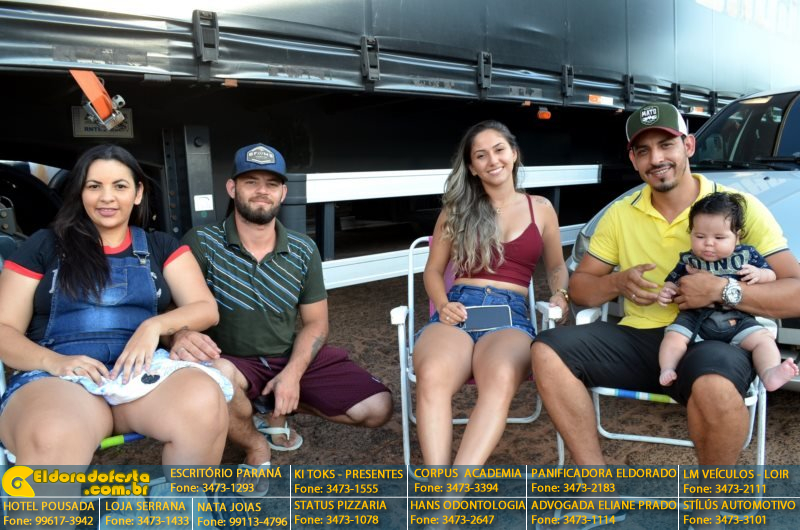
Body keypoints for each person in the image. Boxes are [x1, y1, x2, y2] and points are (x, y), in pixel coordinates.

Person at [531, 102, 800, 529]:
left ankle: (711, 504)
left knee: (715, 385)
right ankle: (598, 491)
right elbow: (581, 288)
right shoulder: (622, 212)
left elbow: (796, 291)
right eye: (643, 150)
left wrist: (725, 290)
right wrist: (618, 283)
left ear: (688, 145)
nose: (656, 158)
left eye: (666, 144)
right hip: (641, 337)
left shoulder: (736, 207)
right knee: (547, 350)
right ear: (633, 159)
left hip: (714, 336)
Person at [172, 143, 392, 483]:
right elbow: (174, 310)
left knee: (377, 408)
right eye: (251, 181)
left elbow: (317, 324)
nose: (262, 191)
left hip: (286, 355)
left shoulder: (303, 249)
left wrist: (291, 375)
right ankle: (255, 444)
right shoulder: (202, 241)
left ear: (283, 193)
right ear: (232, 188)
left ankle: (267, 405)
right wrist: (181, 333)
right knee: (217, 379)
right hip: (231, 360)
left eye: (272, 183)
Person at [0, 144, 229, 466]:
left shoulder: (160, 246)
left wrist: (153, 327)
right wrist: (54, 362)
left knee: (204, 402)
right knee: (52, 433)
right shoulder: (44, 245)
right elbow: (4, 328)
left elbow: (205, 308)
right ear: (80, 192)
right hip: (59, 377)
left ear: (138, 193)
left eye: (119, 186)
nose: (106, 197)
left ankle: (182, 498)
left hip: (140, 373)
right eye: (94, 186)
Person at [413, 120, 569, 466]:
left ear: (514, 154)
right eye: (480, 155)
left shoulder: (541, 208)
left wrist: (561, 293)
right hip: (459, 306)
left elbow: (557, 265)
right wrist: (442, 303)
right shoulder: (456, 210)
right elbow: (433, 270)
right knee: (433, 374)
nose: (492, 160)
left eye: (499, 150)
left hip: (510, 315)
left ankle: (451, 494)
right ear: (472, 167)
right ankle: (438, 486)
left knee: (499, 378)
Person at [657, 191, 799, 390]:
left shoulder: (748, 255)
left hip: (738, 318)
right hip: (695, 318)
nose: (709, 243)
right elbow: (673, 281)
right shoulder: (688, 259)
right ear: (691, 233)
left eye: (719, 237)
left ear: (737, 236)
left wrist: (760, 274)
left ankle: (770, 373)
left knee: (763, 340)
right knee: (673, 336)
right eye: (700, 236)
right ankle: (668, 368)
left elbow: (772, 275)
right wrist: (668, 291)